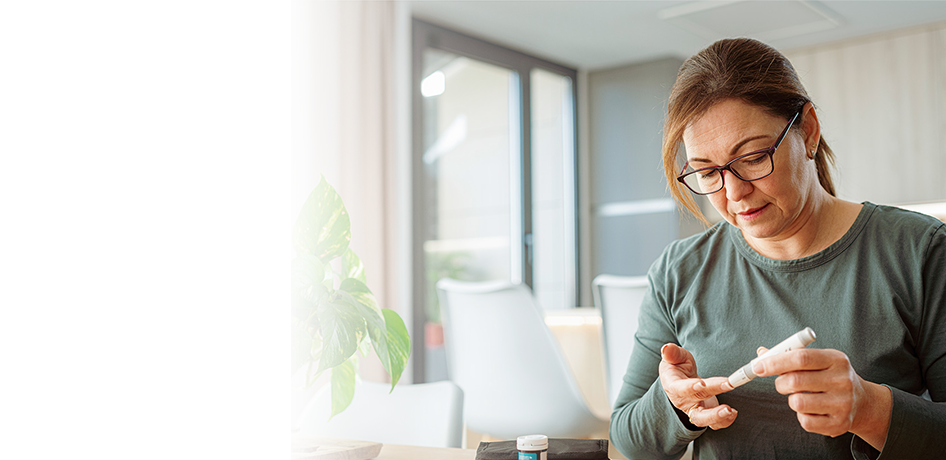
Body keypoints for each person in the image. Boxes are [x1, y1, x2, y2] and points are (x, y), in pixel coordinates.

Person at [609, 38, 946, 460]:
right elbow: (627, 438)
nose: (733, 192)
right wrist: (675, 405)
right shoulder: (679, 271)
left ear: (807, 130)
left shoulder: (920, 251)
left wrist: (870, 409)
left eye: (751, 157)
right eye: (707, 172)